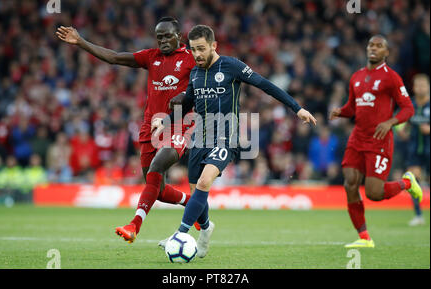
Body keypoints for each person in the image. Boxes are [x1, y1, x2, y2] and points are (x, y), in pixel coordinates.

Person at [152, 25, 316, 258]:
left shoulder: (231, 66)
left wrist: (297, 108)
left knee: (204, 182)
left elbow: (265, 85)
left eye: (201, 49)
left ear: (213, 46)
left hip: (225, 137)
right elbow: (187, 103)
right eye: (192, 49)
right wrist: (165, 122)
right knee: (196, 192)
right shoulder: (195, 74)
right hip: (200, 138)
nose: (197, 54)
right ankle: (206, 230)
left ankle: (180, 233)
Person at [56, 17, 200, 244]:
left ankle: (134, 225)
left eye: (167, 36)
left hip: (179, 123)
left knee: (156, 167)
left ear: (179, 36)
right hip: (150, 126)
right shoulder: (150, 57)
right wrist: (81, 41)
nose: (162, 40)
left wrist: (186, 98)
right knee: (158, 190)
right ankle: (194, 203)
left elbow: (202, 86)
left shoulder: (192, 59)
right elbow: (114, 57)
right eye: (159, 36)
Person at [329, 35, 423, 248]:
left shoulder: (391, 78)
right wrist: (340, 112)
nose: (374, 48)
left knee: (374, 193)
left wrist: (390, 122)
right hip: (357, 137)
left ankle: (407, 182)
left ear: (386, 53)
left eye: (379, 46)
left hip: (379, 140)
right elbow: (353, 107)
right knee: (350, 183)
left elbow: (409, 108)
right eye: (371, 45)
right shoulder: (356, 77)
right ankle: (364, 238)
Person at [401, 74, 430, 226]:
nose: (420, 88)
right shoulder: (410, 105)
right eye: (418, 86)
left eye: (423, 86)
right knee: (412, 181)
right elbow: (404, 124)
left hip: (429, 148)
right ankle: (418, 215)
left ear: (428, 88)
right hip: (414, 149)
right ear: (414, 88)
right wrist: (402, 131)